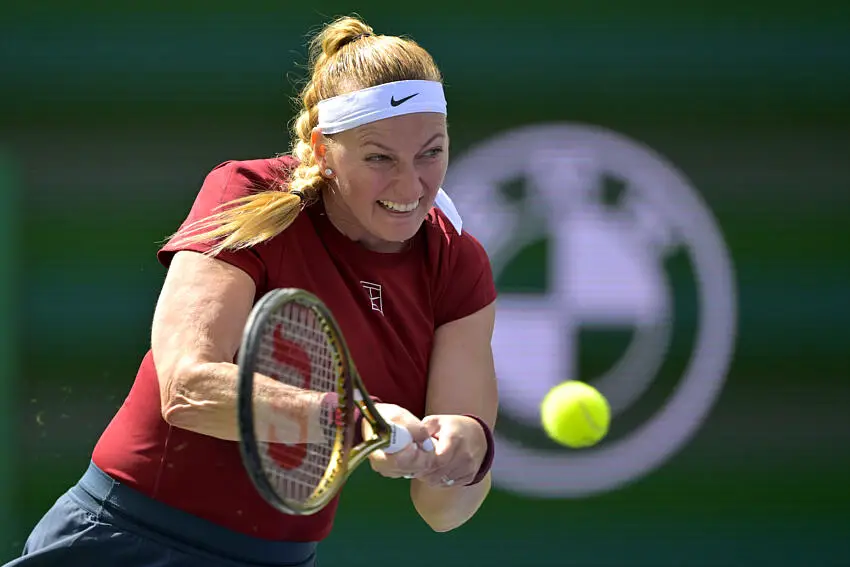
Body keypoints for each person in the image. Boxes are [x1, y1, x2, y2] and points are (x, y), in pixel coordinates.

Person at [5, 15, 498, 567]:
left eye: (431, 152)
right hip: (128, 541)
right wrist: (354, 420)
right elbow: (187, 388)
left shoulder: (457, 262)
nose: (410, 185)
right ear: (323, 150)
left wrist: (464, 450)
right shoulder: (247, 193)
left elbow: (443, 511)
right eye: (379, 158)